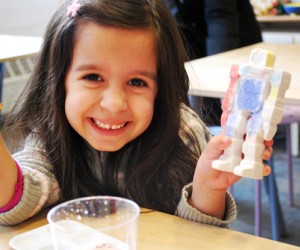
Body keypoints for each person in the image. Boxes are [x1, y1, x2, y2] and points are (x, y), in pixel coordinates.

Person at [0, 0, 272, 226]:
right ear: (59, 81)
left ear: (160, 88)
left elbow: (201, 236)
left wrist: (208, 188)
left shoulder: (181, 133)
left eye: (137, 82)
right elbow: (16, 199)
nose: (115, 104)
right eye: (93, 77)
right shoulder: (50, 134)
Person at [166, 0, 263, 126]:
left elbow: (220, 14)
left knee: (235, 116)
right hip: (196, 37)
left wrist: (219, 69)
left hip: (233, 38)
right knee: (207, 115)